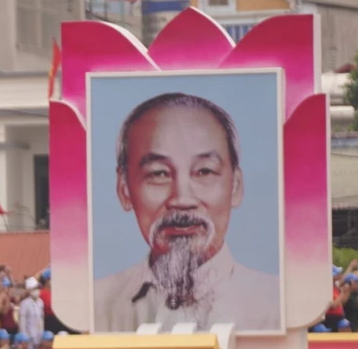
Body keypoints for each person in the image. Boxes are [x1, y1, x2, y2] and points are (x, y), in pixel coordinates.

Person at [93, 92, 279, 331]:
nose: (182, 199)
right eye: (158, 173)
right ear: (124, 189)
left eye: (204, 172)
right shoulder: (98, 305)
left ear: (236, 186)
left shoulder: (275, 305)